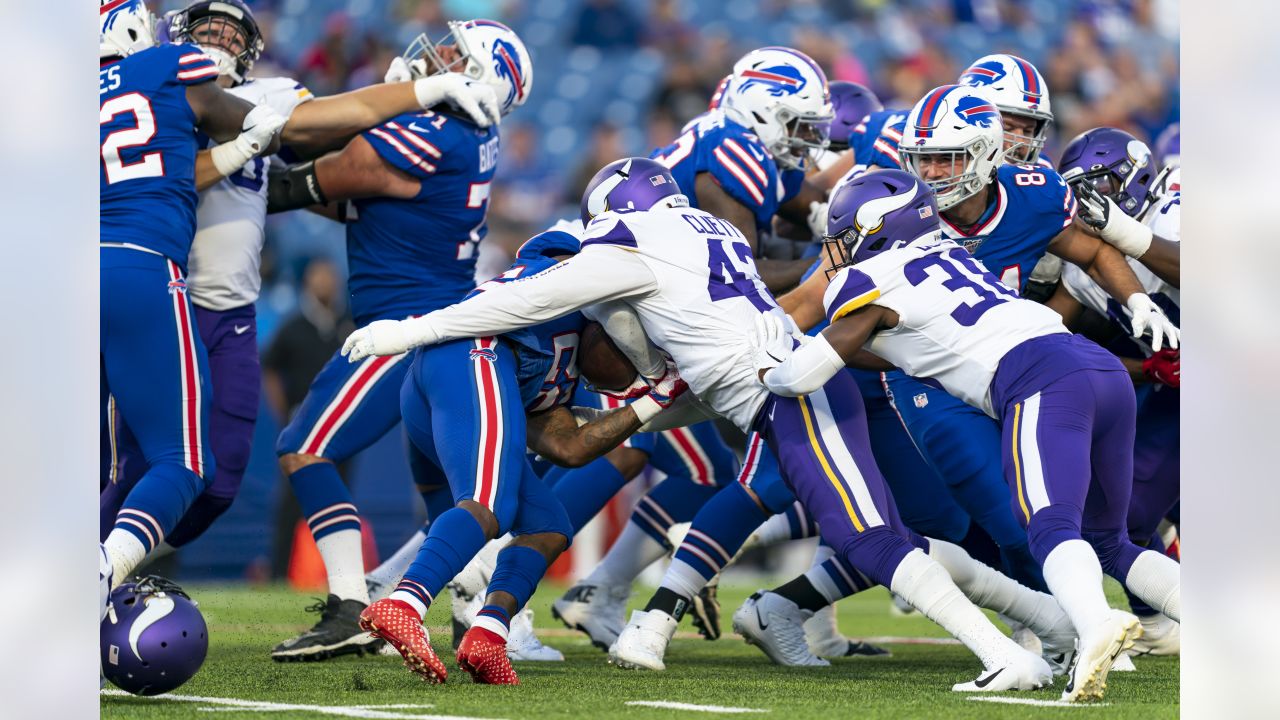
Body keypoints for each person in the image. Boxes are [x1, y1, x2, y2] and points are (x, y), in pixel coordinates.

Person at [341, 157, 1068, 694]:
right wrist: (656, 402)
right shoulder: (688, 233)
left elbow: (543, 347)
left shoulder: (631, 243)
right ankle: (1041, 631)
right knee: (874, 533)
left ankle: (1019, 645)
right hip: (762, 392)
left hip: (788, 394)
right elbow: (573, 321)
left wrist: (412, 331)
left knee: (872, 536)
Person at [100, 0, 500, 567]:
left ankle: (117, 565)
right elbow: (165, 176)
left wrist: (420, 94)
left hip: (231, 309)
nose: (218, 40)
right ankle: (101, 577)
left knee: (217, 481)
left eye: (232, 34)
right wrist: (241, 149)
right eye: (206, 28)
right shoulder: (162, 83)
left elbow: (341, 115)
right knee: (144, 462)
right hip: (167, 296)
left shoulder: (268, 94)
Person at [755, 169, 1180, 702]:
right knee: (1108, 542)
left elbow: (804, 373)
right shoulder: (951, 254)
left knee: (1047, 524)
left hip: (1037, 378)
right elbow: (909, 349)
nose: (835, 253)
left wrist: (766, 370)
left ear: (876, 230)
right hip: (1098, 368)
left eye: (844, 238)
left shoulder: (866, 281)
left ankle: (1095, 626)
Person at [266, 20, 534, 662]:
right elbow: (363, 194)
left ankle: (352, 604)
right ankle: (478, 616)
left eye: (453, 55)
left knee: (304, 449)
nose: (435, 58)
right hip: (434, 321)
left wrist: (262, 167)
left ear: (479, 78)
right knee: (451, 492)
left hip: (406, 328)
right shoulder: (467, 132)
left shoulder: (443, 126)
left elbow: (351, 169)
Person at [357, 227, 686, 685]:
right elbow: (506, 304)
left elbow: (569, 450)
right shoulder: (561, 285)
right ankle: (403, 603)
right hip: (467, 356)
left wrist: (655, 401)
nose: (633, 372)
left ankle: (488, 634)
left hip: (462, 377)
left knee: (549, 526)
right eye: (635, 352)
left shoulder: (567, 359)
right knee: (491, 504)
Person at [99, 0, 283, 595]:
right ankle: (97, 578)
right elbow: (246, 122)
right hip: (144, 268)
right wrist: (246, 139)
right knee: (181, 462)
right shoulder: (165, 65)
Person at [1050, 127, 1181, 658]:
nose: (1091, 201)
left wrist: (1129, 235)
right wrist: (1146, 369)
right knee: (1121, 511)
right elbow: (1052, 339)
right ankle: (1155, 620)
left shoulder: (1175, 204)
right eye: (1080, 191)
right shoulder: (1082, 265)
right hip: (1178, 396)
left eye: (1100, 185)